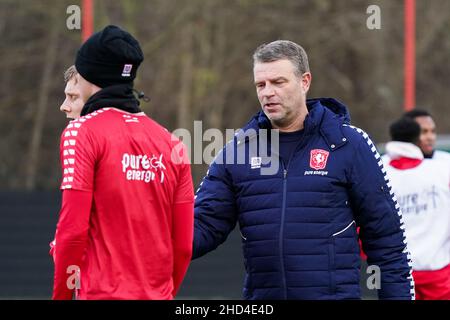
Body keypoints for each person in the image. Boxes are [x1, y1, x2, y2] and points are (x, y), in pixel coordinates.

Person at [193, 40, 414, 300]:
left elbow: (387, 244)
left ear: (305, 81)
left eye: (278, 82)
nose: (267, 93)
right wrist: (147, 232)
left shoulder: (349, 144)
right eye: (260, 85)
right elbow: (203, 227)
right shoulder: (237, 151)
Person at [51, 25, 194, 300]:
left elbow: (72, 233)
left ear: (88, 75)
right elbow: (184, 246)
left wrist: (61, 296)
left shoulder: (80, 132)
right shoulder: (173, 143)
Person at [383, 117, 450, 299]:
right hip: (438, 271)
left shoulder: (378, 172)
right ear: (418, 139)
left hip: (394, 272)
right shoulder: (442, 171)